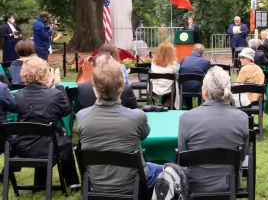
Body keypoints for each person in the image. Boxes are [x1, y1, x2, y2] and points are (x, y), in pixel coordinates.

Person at [77, 59, 162, 193]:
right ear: (123, 87)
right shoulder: (137, 117)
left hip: (97, 184)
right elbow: (144, 134)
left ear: (94, 90)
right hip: (134, 183)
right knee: (169, 169)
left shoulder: (81, 117)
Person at [178, 66, 248, 194]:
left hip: (194, 184)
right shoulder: (242, 118)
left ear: (204, 92)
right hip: (229, 184)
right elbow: (242, 156)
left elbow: (183, 154)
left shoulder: (186, 118)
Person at [14, 57, 80, 189]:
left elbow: (36, 104)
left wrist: (46, 88)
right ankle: (73, 183)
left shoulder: (19, 95)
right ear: (44, 74)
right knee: (64, 140)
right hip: (50, 147)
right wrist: (59, 85)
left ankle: (40, 183)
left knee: (45, 136)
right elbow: (66, 110)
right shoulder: (54, 94)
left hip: (24, 147)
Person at [179, 43, 211, 109]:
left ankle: (188, 108)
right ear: (203, 53)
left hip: (184, 88)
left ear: (192, 51)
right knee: (205, 83)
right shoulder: (205, 62)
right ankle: (202, 106)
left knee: (187, 82)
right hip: (199, 89)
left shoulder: (183, 60)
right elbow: (210, 76)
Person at [150, 42, 178, 107]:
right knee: (175, 85)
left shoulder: (153, 62)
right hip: (169, 88)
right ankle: (168, 103)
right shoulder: (173, 64)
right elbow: (176, 74)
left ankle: (164, 103)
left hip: (155, 87)